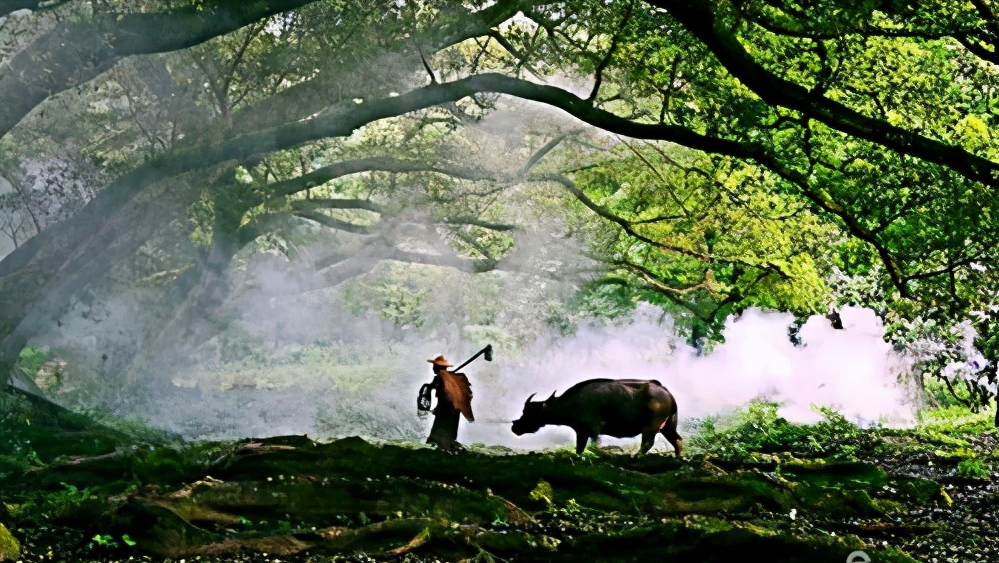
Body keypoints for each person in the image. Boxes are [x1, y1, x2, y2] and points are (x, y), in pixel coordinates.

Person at [424, 354, 474, 454]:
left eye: (434, 366)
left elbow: (445, 394)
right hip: (455, 409)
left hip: (445, 410)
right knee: (450, 433)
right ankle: (449, 448)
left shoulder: (440, 377)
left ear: (437, 367)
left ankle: (440, 449)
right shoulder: (451, 378)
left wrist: (431, 387)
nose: (433, 368)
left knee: (439, 433)